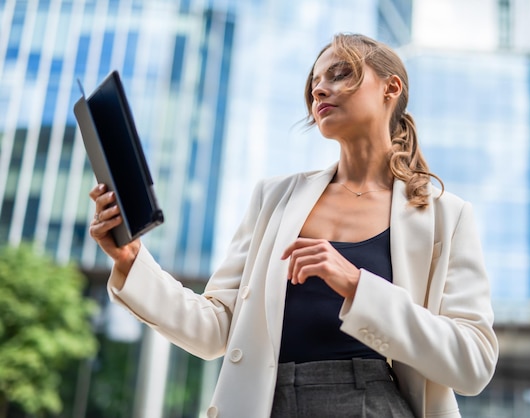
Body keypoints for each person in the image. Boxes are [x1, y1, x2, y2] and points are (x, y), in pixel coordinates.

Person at [89, 33, 498, 418]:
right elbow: (214, 329)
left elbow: (473, 363)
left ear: (391, 88)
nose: (320, 90)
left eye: (340, 74)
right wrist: (131, 259)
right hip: (267, 403)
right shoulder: (275, 199)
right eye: (314, 83)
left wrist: (356, 285)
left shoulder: (445, 215)